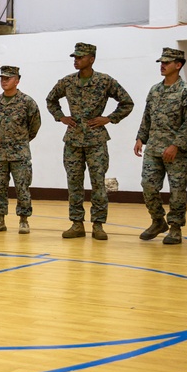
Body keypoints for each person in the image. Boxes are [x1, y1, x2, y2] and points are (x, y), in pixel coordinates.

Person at [46, 42, 134, 240]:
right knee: (74, 184)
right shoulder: (67, 82)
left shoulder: (104, 81)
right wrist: (61, 117)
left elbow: (127, 102)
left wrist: (109, 118)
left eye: (80, 57)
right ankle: (77, 224)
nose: (76, 60)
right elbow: (51, 100)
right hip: (73, 141)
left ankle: (98, 225)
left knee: (98, 184)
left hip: (96, 140)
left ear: (91, 59)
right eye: (75, 57)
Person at [133, 48, 187, 245]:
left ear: (178, 65)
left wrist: (176, 145)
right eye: (161, 62)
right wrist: (140, 138)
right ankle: (158, 221)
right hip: (153, 148)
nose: (162, 65)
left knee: (177, 190)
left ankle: (176, 228)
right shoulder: (155, 90)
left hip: (175, 152)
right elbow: (147, 117)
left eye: (167, 62)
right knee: (148, 186)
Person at [0, 65, 41, 234]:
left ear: (17, 80)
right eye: (2, 78)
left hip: (20, 154)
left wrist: (22, 141)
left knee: (22, 188)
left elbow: (35, 126)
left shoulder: (27, 102)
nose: (4, 81)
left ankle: (23, 221)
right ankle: (0, 219)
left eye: (8, 78)